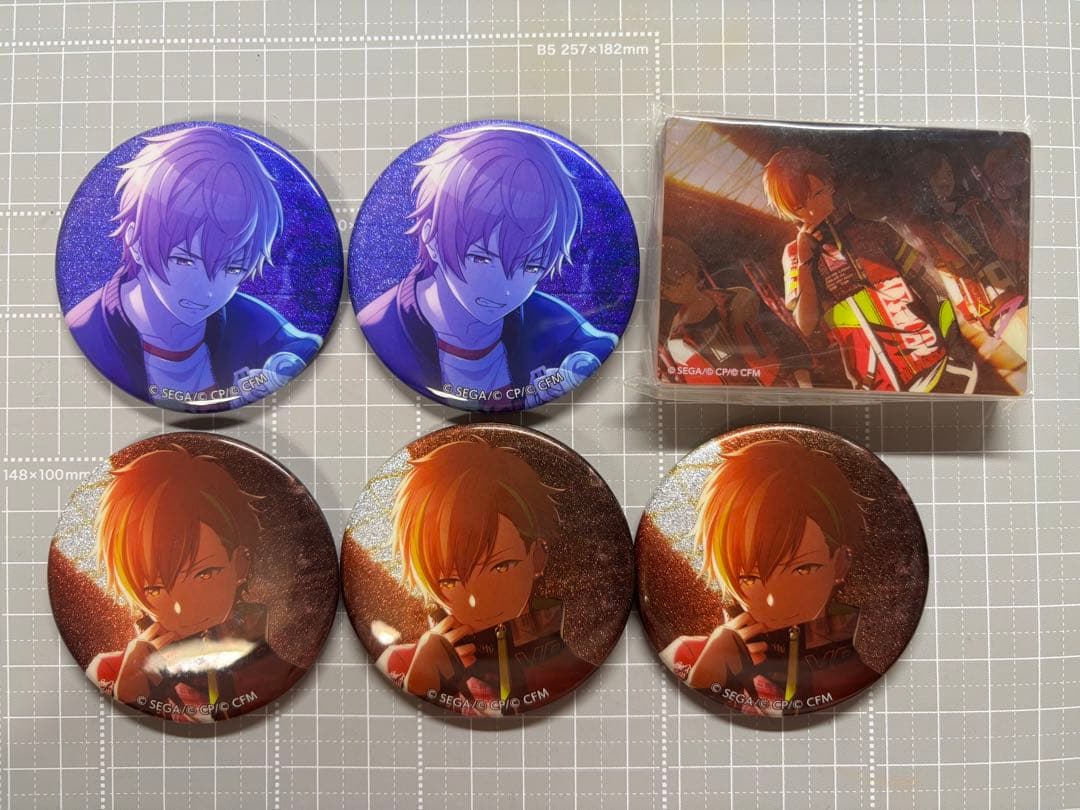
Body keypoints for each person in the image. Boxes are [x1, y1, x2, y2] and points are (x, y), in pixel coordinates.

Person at [358, 127, 616, 408]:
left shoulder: (561, 331)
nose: (505, 289)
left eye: (531, 266)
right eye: (481, 258)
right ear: (432, 239)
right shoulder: (383, 327)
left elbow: (595, 344)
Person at [65, 126, 321, 408]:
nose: (208, 291)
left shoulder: (263, 332)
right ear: (135, 240)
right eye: (184, 261)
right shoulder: (89, 330)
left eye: (233, 268)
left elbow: (297, 345)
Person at [661, 438, 879, 716]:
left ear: (840, 563)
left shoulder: (862, 680)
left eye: (802, 569)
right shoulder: (688, 656)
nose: (773, 600)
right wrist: (705, 683)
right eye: (749, 578)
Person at [376, 437, 591, 715]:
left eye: (501, 567)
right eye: (450, 581)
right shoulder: (399, 665)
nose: (476, 600)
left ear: (538, 556)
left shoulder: (576, 674)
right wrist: (419, 691)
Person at [86, 444, 300, 722]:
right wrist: (129, 700)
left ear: (240, 564)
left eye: (204, 574)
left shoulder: (280, 674)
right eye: (154, 589)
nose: (180, 607)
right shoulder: (109, 672)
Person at [762, 146, 972, 393]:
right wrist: (805, 261)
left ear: (830, 185)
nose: (811, 211)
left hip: (936, 363)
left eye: (817, 194)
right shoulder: (794, 255)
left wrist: (953, 343)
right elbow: (805, 325)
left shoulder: (876, 231)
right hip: (876, 388)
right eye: (799, 207)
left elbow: (932, 289)